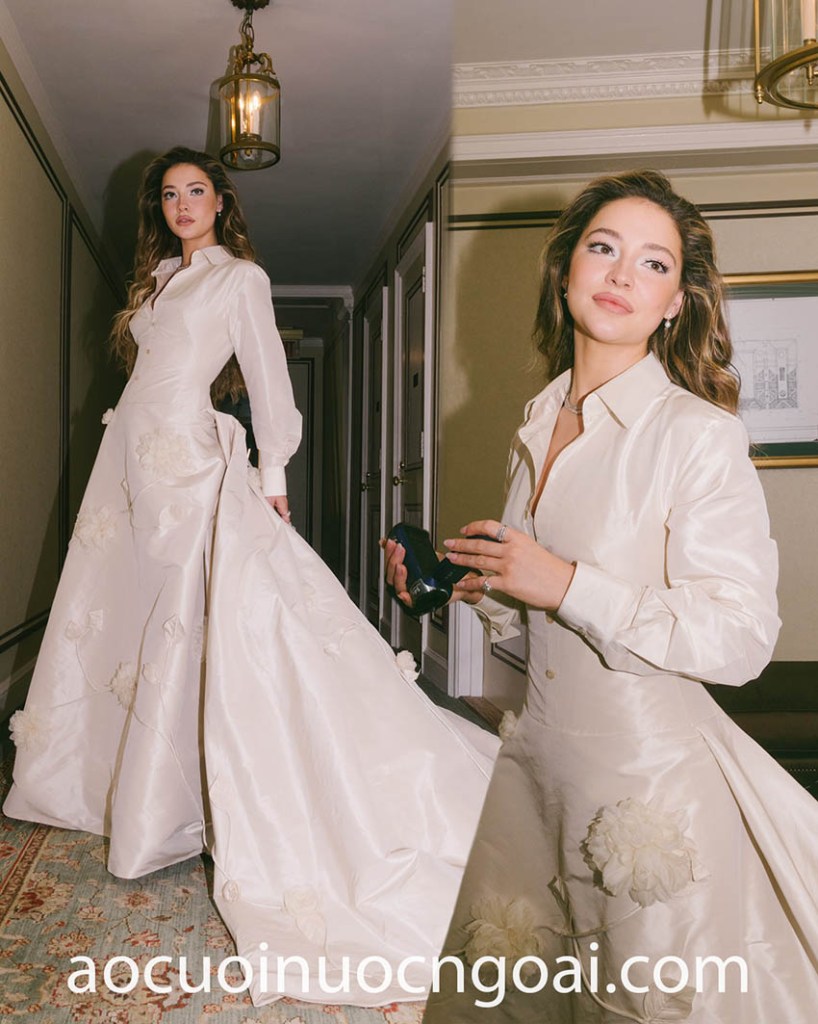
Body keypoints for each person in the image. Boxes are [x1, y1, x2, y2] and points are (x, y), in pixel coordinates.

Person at [3, 146, 499, 1007]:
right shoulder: (158, 283)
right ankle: (134, 786)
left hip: (192, 465)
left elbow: (270, 383)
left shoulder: (240, 279)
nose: (182, 203)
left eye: (197, 190)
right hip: (130, 469)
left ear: (221, 202)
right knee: (134, 623)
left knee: (200, 620)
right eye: (169, 194)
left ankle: (195, 802)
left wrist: (272, 481)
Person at [386, 170, 818, 1022]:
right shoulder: (536, 422)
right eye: (604, 248)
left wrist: (566, 582)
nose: (623, 274)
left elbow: (739, 639)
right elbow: (539, 624)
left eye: (654, 263)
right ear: (566, 272)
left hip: (650, 793)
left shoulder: (699, 435)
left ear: (675, 304)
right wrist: (476, 587)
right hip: (538, 770)